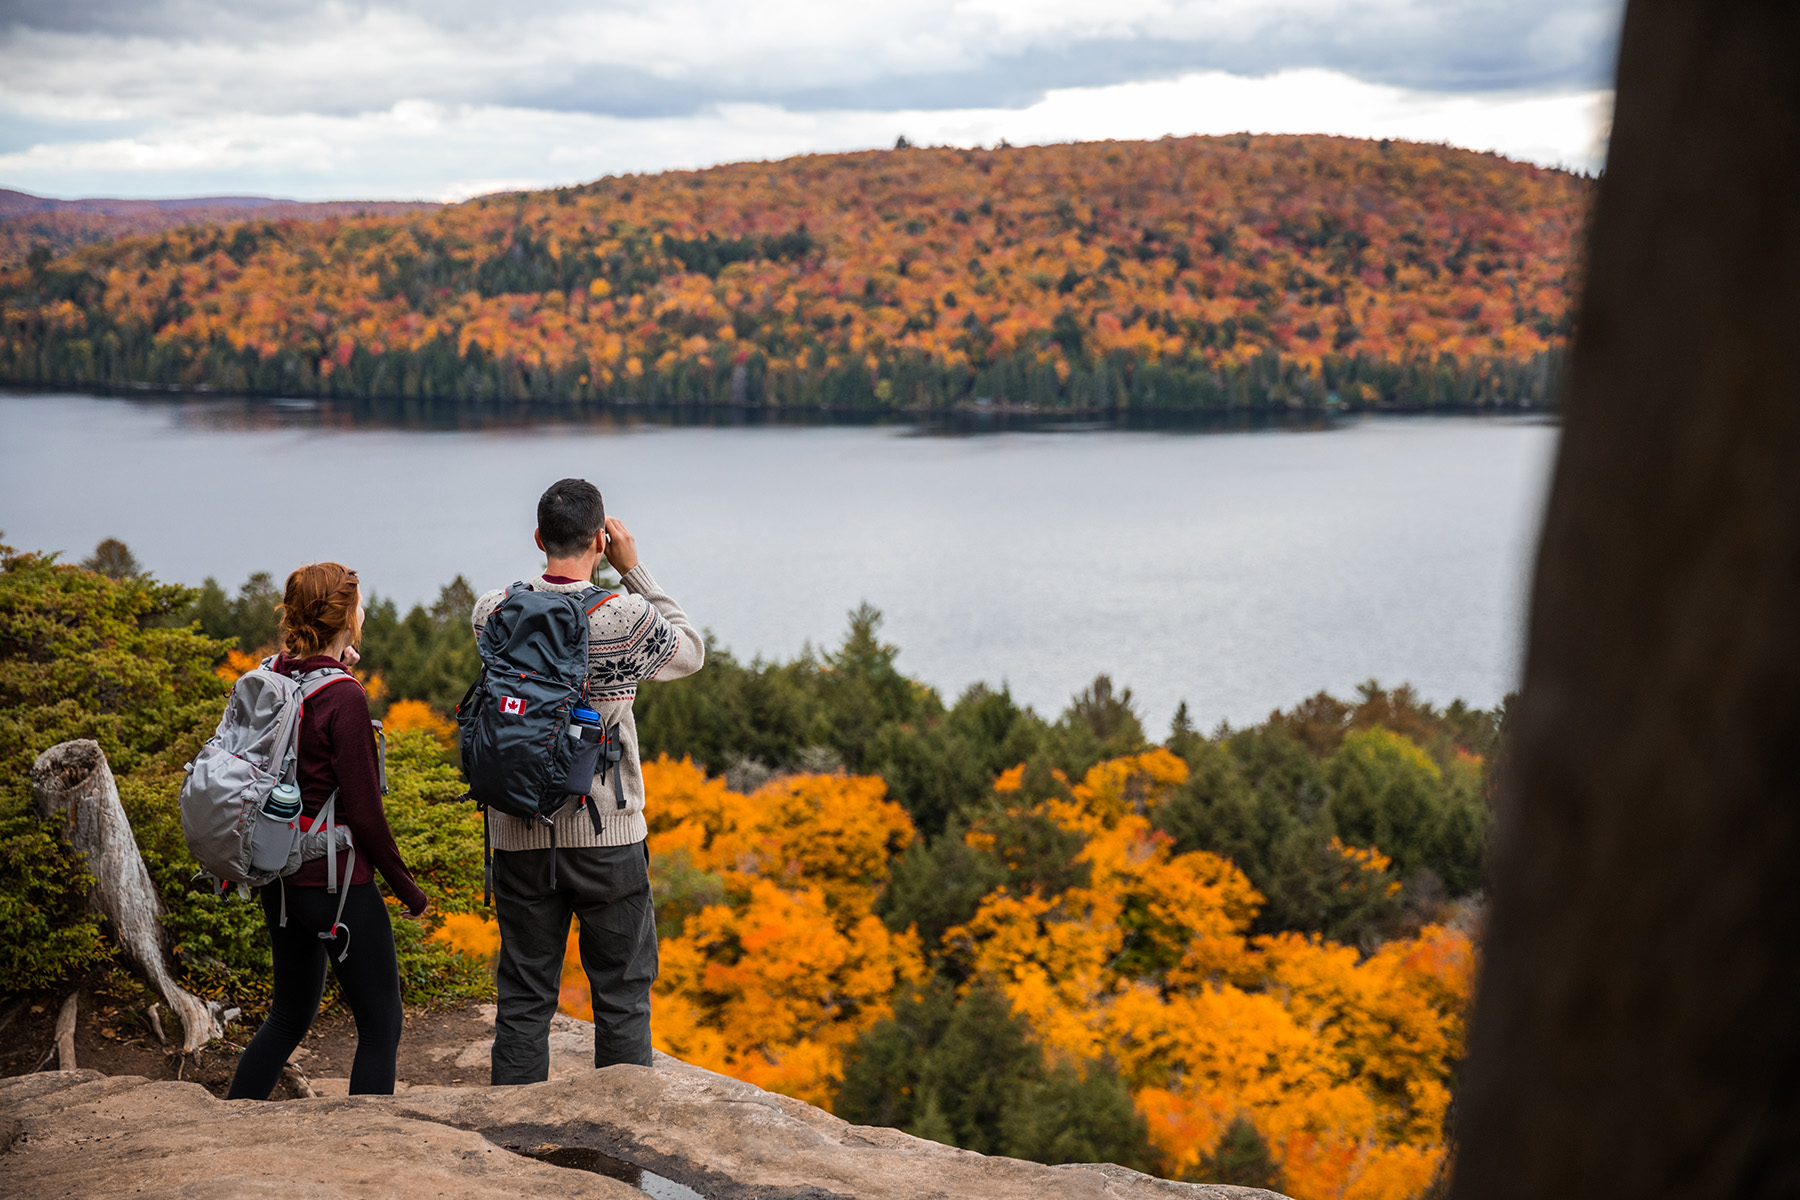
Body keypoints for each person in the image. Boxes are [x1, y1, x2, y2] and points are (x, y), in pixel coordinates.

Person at [473, 477, 703, 1084]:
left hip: (518, 828)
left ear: (538, 538)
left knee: (524, 996)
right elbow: (690, 652)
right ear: (600, 540)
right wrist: (636, 572)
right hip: (609, 833)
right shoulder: (623, 618)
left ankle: (511, 1147)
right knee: (622, 995)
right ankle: (620, 1155)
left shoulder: (492, 613)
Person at [226, 562, 430, 1100]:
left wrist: (337, 663)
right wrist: (407, 889)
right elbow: (364, 814)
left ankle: (225, 1125)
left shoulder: (273, 673)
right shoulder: (343, 697)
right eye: (357, 604)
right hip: (338, 886)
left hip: (278, 875)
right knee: (381, 1024)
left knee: (288, 1017)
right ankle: (365, 1150)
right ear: (346, 616)